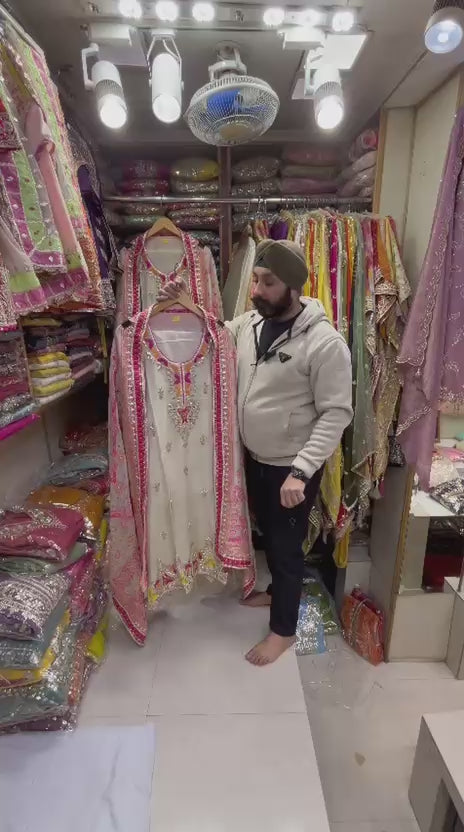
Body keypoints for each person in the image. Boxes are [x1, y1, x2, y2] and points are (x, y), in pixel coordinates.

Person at [158, 238, 353, 666]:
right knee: (268, 537)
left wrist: (301, 472)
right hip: (255, 460)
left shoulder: (324, 343)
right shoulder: (249, 324)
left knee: (286, 549)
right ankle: (275, 593)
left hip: (290, 468)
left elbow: (337, 413)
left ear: (293, 287)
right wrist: (185, 302)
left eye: (268, 283)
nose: (256, 290)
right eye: (257, 280)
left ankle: (283, 631)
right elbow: (216, 332)